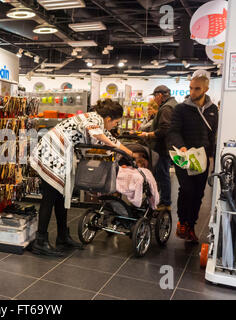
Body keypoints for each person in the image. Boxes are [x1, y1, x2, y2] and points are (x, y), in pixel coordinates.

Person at [29, 99, 135, 256]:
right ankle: (40, 241)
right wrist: (112, 146)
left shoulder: (97, 120)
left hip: (58, 154)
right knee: (49, 198)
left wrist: (130, 153)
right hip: (51, 153)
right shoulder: (93, 119)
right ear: (108, 119)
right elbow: (97, 133)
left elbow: (113, 141)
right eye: (116, 122)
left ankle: (62, 237)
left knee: (60, 196)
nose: (115, 126)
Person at [167, 75, 218, 243]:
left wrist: (213, 156)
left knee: (199, 193)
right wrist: (181, 146)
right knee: (187, 189)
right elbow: (173, 131)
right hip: (184, 157)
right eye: (191, 88)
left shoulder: (212, 110)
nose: (192, 92)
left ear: (205, 89)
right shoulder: (181, 109)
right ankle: (182, 222)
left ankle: (191, 225)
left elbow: (212, 135)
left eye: (197, 88)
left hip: (202, 159)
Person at [139, 86, 177, 212]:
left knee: (162, 175)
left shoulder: (166, 108)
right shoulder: (172, 104)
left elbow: (164, 129)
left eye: (155, 96)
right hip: (165, 147)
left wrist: (148, 135)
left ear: (160, 95)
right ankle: (159, 199)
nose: (154, 99)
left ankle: (165, 202)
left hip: (162, 148)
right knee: (161, 174)